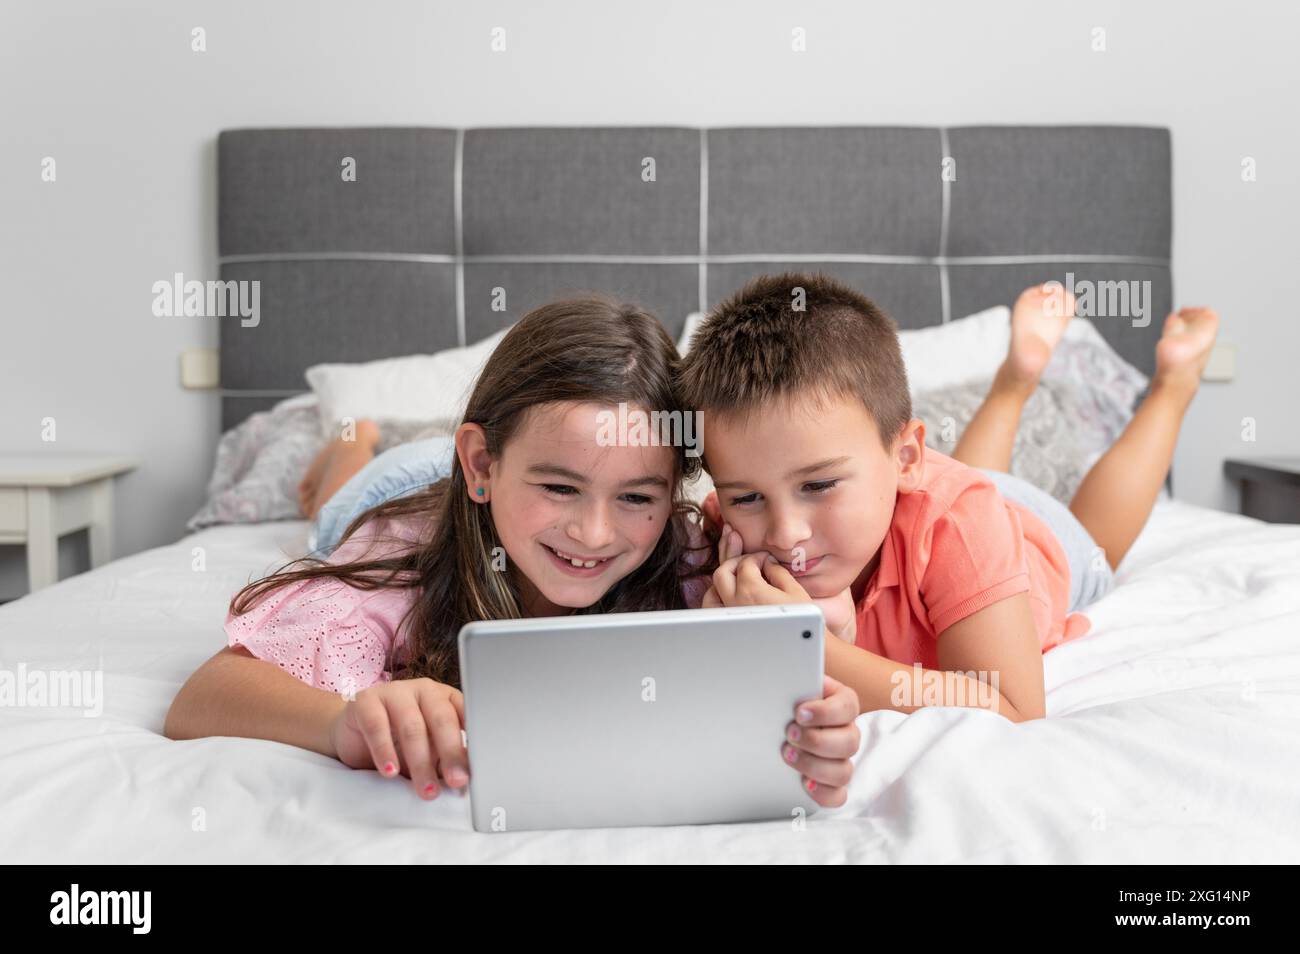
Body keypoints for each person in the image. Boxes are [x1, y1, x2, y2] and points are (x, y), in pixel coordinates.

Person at [675, 272, 1219, 723]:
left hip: (1024, 532)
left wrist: (806, 644)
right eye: (747, 497)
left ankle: (1173, 385)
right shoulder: (729, 532)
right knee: (973, 480)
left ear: (905, 457)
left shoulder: (962, 521)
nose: (786, 531)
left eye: (818, 485)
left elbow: (1014, 709)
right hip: (952, 493)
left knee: (1094, 541)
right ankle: (1016, 378)